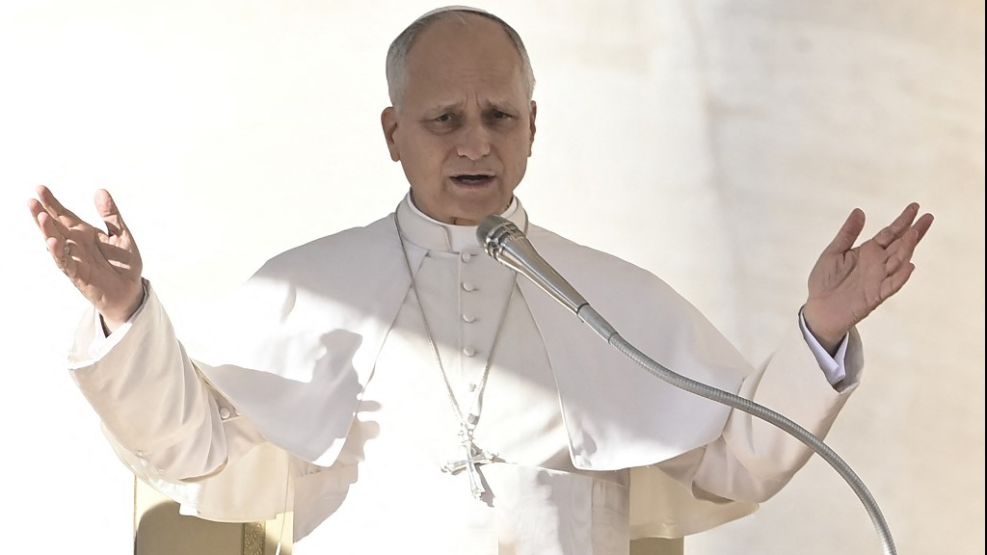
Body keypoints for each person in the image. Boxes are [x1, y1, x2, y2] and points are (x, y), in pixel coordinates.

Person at [27, 6, 933, 554]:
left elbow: (737, 458)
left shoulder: (615, 297)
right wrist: (125, 313)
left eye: (499, 115)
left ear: (532, 128)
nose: (474, 141)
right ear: (393, 132)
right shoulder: (307, 286)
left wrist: (816, 328)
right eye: (444, 118)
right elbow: (191, 450)